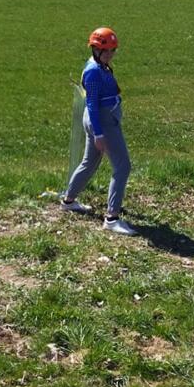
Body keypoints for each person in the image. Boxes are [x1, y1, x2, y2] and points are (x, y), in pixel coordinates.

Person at [60, 27, 137, 235]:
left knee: (89, 162)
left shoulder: (101, 66)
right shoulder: (94, 71)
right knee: (122, 167)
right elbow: (92, 104)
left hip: (101, 121)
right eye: (106, 51)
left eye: (113, 50)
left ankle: (68, 200)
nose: (110, 54)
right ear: (95, 50)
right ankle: (112, 219)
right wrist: (99, 134)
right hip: (103, 123)